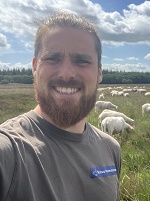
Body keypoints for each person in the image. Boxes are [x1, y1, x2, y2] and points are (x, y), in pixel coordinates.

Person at [0, 12, 121, 201]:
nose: (66, 74)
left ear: (99, 72)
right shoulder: (10, 152)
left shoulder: (110, 149)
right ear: (34, 67)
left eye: (81, 60)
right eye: (52, 58)